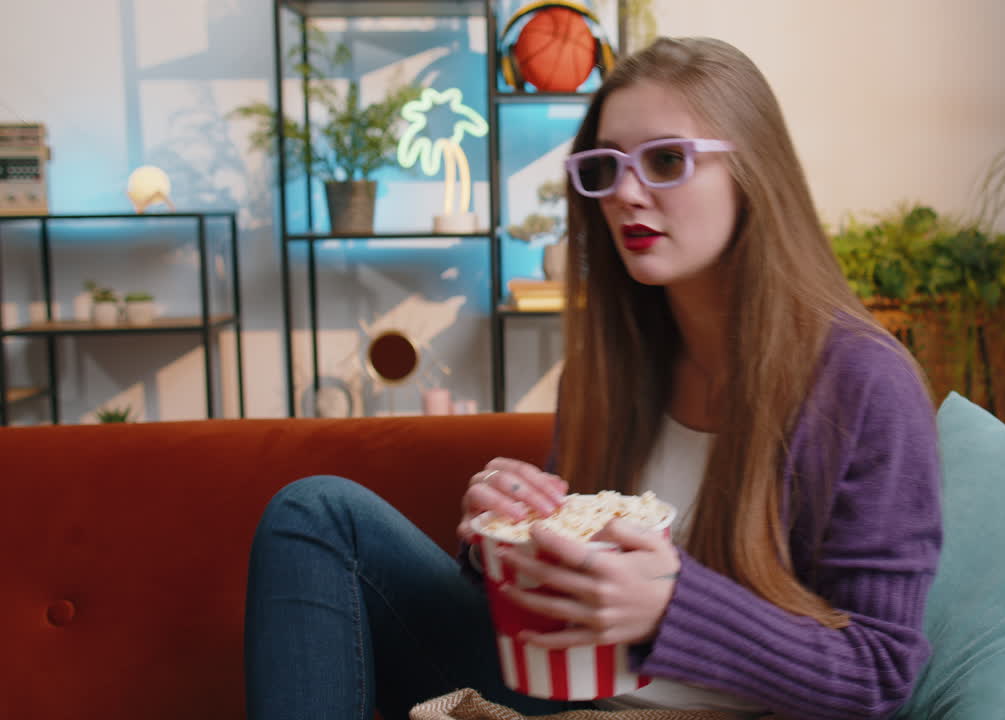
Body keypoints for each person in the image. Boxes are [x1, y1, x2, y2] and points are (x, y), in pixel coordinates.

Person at [244, 36, 942, 720]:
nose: (626, 194)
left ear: (753, 173)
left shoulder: (865, 382)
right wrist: (502, 545)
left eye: (666, 160)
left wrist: (673, 608)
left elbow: (878, 676)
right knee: (316, 515)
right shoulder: (612, 367)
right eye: (605, 168)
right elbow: (562, 600)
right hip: (568, 690)